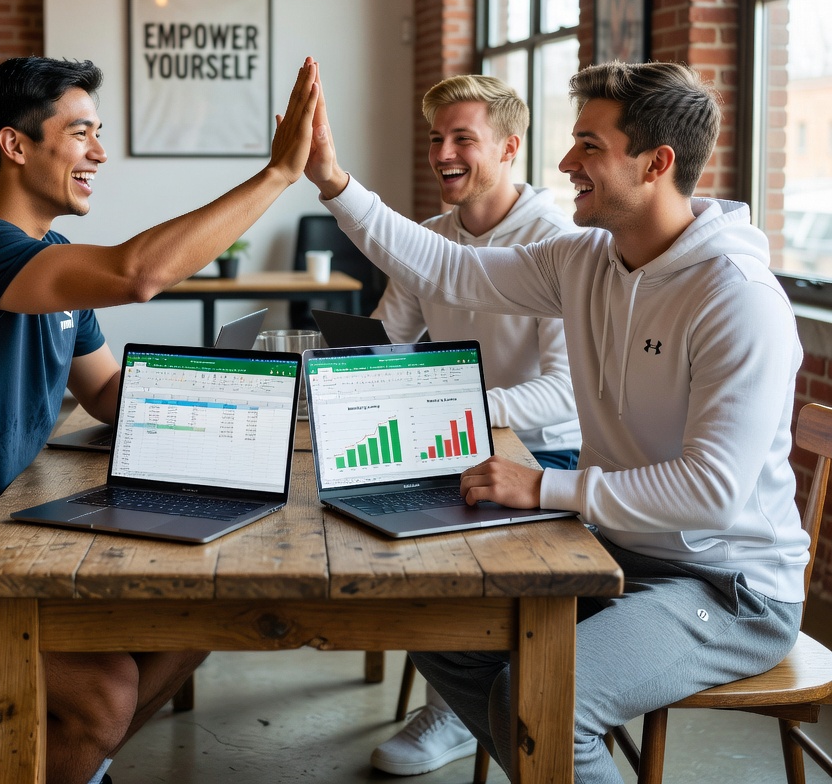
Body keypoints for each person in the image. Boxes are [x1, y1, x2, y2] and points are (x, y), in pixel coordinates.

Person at [304, 59, 809, 783]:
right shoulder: (588, 259)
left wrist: (542, 487)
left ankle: (548, 745)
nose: (566, 161)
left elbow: (712, 492)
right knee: (432, 619)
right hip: (619, 548)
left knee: (549, 701)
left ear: (657, 163)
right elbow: (451, 271)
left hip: (727, 586)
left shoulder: (737, 298)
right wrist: (335, 184)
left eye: (589, 147)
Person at [0, 54, 321, 784]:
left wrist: (259, 406)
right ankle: (55, 751)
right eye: (83, 132)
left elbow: (107, 391)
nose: (100, 152)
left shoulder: (49, 256)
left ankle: (46, 762)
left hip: (2, 539)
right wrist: (278, 175)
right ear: (15, 144)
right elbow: (139, 274)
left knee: (197, 625)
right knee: (105, 692)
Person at [368, 74, 581, 777]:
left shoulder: (558, 243)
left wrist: (459, 409)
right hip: (462, 439)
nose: (443, 153)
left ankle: (461, 710)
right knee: (370, 523)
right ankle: (463, 691)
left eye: (464, 138)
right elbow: (383, 340)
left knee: (431, 545)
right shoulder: (431, 238)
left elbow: (563, 391)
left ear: (510, 147)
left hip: (551, 454)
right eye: (437, 138)